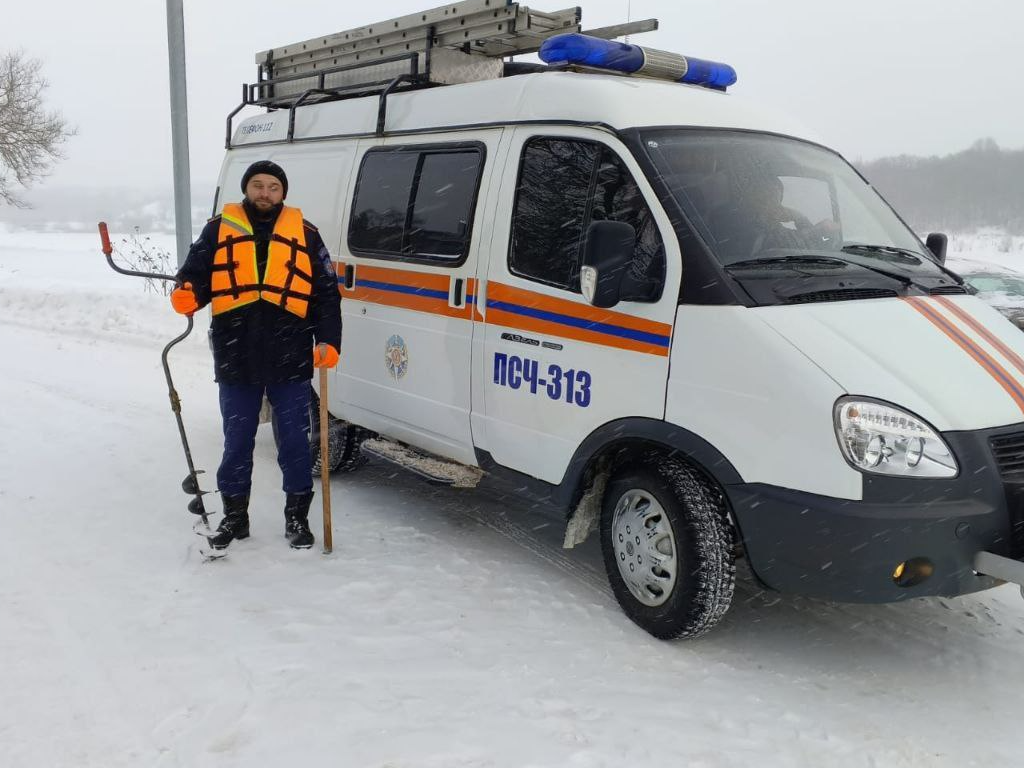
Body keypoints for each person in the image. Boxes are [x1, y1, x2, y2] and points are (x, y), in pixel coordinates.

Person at [169, 160, 342, 551]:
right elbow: (193, 274)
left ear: (283, 193)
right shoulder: (218, 230)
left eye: (273, 187)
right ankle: (235, 514)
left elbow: (327, 294)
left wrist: (329, 340)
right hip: (237, 353)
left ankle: (296, 516)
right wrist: (187, 295)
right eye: (258, 185)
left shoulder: (307, 234)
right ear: (247, 189)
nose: (265, 193)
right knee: (237, 441)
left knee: (296, 444)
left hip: (291, 353)